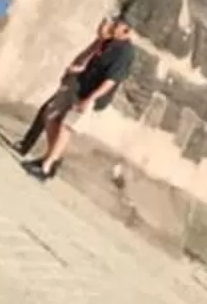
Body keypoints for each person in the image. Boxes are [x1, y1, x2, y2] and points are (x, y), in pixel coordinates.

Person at [16, 11, 136, 180]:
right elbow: (88, 57)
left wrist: (90, 99)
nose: (112, 27)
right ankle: (51, 158)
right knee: (51, 114)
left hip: (92, 95)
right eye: (114, 23)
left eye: (117, 25)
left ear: (126, 30)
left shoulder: (125, 53)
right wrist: (98, 39)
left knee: (66, 126)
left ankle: (46, 166)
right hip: (79, 85)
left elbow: (111, 80)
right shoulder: (108, 41)